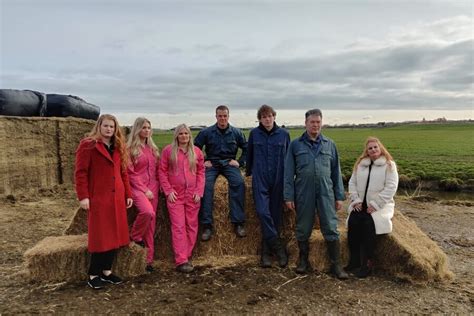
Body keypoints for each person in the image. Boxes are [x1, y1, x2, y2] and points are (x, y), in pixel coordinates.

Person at [283, 109, 348, 279]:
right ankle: (303, 261)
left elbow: (336, 171)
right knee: (303, 227)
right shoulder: (295, 145)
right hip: (304, 192)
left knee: (330, 226)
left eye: (318, 122)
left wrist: (339, 195)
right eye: (312, 122)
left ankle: (336, 265)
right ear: (306, 123)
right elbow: (288, 172)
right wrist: (289, 196)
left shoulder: (330, 144)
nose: (315, 125)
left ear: (322, 123)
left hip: (326, 192)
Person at [75, 114, 133, 289]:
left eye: (112, 127)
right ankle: (93, 274)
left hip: (117, 197)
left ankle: (107, 271)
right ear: (99, 126)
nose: (109, 129)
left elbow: (124, 172)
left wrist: (128, 194)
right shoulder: (88, 145)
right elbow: (81, 173)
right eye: (106, 126)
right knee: (101, 236)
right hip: (99, 197)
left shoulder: (118, 146)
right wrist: (83, 196)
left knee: (115, 234)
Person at [346, 137, 399, 278]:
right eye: (370, 148)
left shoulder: (389, 165)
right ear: (367, 151)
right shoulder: (360, 165)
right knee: (353, 222)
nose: (373, 150)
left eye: (375, 147)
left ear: (380, 148)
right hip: (360, 204)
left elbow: (391, 187)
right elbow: (352, 183)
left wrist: (376, 205)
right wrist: (355, 200)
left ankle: (368, 263)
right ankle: (354, 260)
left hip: (380, 205)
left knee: (369, 224)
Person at [194, 105, 248, 241]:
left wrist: (240, 162)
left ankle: (238, 223)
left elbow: (247, 149)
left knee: (239, 183)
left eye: (225, 116)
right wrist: (203, 161)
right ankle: (207, 225)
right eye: (220, 116)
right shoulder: (206, 132)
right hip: (212, 163)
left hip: (229, 163)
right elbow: (195, 149)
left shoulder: (237, 132)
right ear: (216, 116)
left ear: (228, 116)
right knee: (205, 186)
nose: (222, 118)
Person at [246, 105, 290, 268]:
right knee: (263, 212)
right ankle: (279, 249)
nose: (267, 119)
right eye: (263, 117)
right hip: (260, 178)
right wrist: (248, 174)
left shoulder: (284, 135)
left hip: (279, 178)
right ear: (260, 119)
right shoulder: (254, 134)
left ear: (274, 116)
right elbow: (249, 154)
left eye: (269, 116)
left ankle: (265, 253)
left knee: (275, 216)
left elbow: (288, 157)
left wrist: (288, 179)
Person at [159, 124, 205, 273]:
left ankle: (187, 255)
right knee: (178, 226)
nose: (184, 136)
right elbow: (162, 171)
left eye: (186, 133)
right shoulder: (168, 151)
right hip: (176, 196)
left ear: (190, 136)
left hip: (192, 195)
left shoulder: (196, 152)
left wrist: (199, 191)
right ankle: (181, 260)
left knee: (192, 226)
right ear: (176, 136)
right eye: (181, 134)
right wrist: (168, 190)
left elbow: (201, 173)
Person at [126, 117, 160, 273]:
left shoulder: (152, 149)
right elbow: (130, 173)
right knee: (147, 212)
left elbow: (157, 169)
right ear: (137, 129)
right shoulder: (130, 149)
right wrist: (143, 189)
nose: (147, 130)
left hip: (153, 188)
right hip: (138, 188)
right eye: (144, 127)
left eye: (149, 127)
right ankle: (134, 236)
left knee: (151, 225)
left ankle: (148, 260)